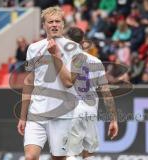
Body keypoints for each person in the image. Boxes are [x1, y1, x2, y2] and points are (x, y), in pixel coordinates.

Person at [17, 6, 95, 160]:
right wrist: (23, 116)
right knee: (30, 157)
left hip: (62, 115)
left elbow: (68, 82)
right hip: (36, 113)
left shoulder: (75, 50)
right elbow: (29, 80)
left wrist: (56, 55)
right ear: (44, 25)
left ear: (63, 25)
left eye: (57, 21)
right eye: (50, 21)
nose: (54, 24)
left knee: (58, 158)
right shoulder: (33, 48)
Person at [65, 27, 119, 160]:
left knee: (71, 153)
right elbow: (106, 93)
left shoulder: (63, 61)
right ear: (83, 42)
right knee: (89, 153)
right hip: (90, 111)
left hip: (71, 111)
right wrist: (113, 120)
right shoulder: (96, 62)